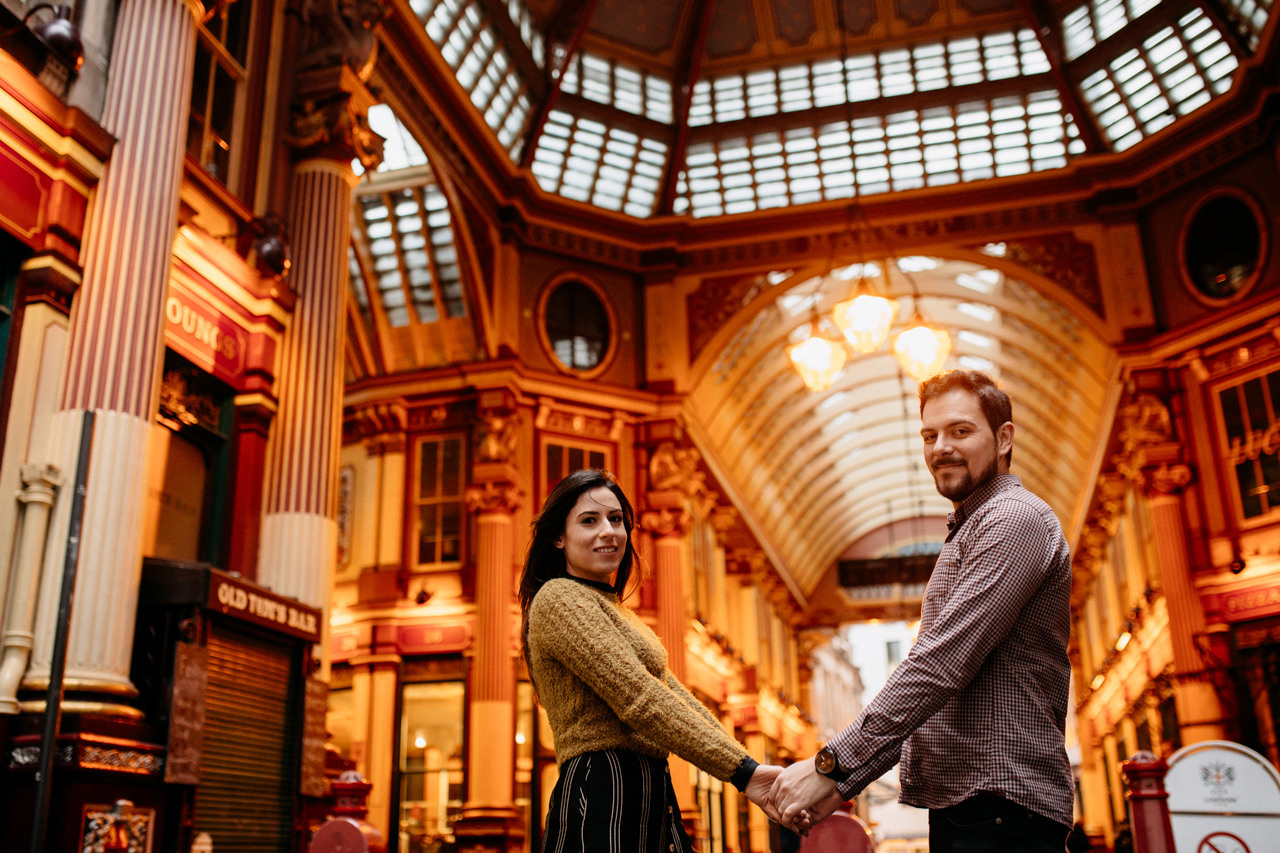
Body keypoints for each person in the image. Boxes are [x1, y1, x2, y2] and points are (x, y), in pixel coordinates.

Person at [770, 369, 1074, 852]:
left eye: (960, 431)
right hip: (972, 805)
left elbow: (939, 665)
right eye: (930, 435)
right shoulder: (971, 529)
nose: (940, 448)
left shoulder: (1014, 520)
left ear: (1003, 438)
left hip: (1000, 805)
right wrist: (840, 786)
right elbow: (935, 680)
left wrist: (831, 767)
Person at [519, 468, 787, 852]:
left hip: (650, 787)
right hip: (603, 786)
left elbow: (676, 697)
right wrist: (744, 773)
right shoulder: (559, 599)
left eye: (616, 519)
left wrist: (747, 765)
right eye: (589, 521)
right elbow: (640, 699)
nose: (608, 531)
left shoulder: (618, 611)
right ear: (559, 537)